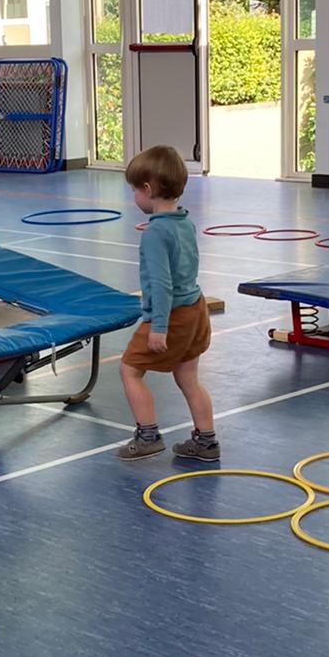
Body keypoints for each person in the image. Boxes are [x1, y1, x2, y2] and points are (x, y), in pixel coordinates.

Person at [118, 145, 218, 463]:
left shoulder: (155, 233)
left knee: (129, 370)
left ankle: (148, 435)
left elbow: (162, 284)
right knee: (188, 378)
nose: (134, 196)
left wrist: (158, 326)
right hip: (196, 309)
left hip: (172, 314)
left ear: (148, 190)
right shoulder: (184, 222)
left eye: (135, 190)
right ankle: (206, 441)